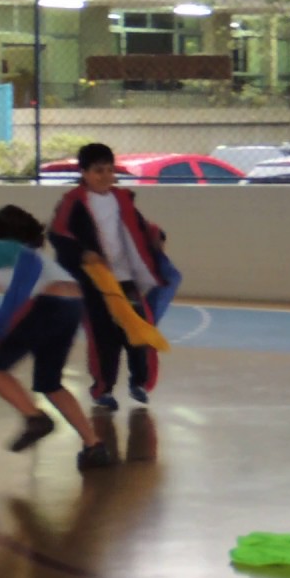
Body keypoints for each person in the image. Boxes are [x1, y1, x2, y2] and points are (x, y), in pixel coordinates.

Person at [0, 205, 111, 466]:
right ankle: (93, 445)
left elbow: (24, 275)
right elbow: (17, 297)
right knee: (49, 383)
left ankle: (34, 417)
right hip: (71, 305)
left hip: (48, 303)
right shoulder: (2, 257)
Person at [48, 143, 168, 411]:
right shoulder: (73, 202)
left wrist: (156, 236)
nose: (104, 176)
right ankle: (102, 388)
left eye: (109, 170)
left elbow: (138, 227)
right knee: (103, 337)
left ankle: (139, 382)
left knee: (138, 329)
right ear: (84, 172)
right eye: (97, 170)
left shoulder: (121, 199)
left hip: (126, 279)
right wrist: (84, 254)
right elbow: (57, 235)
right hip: (95, 282)